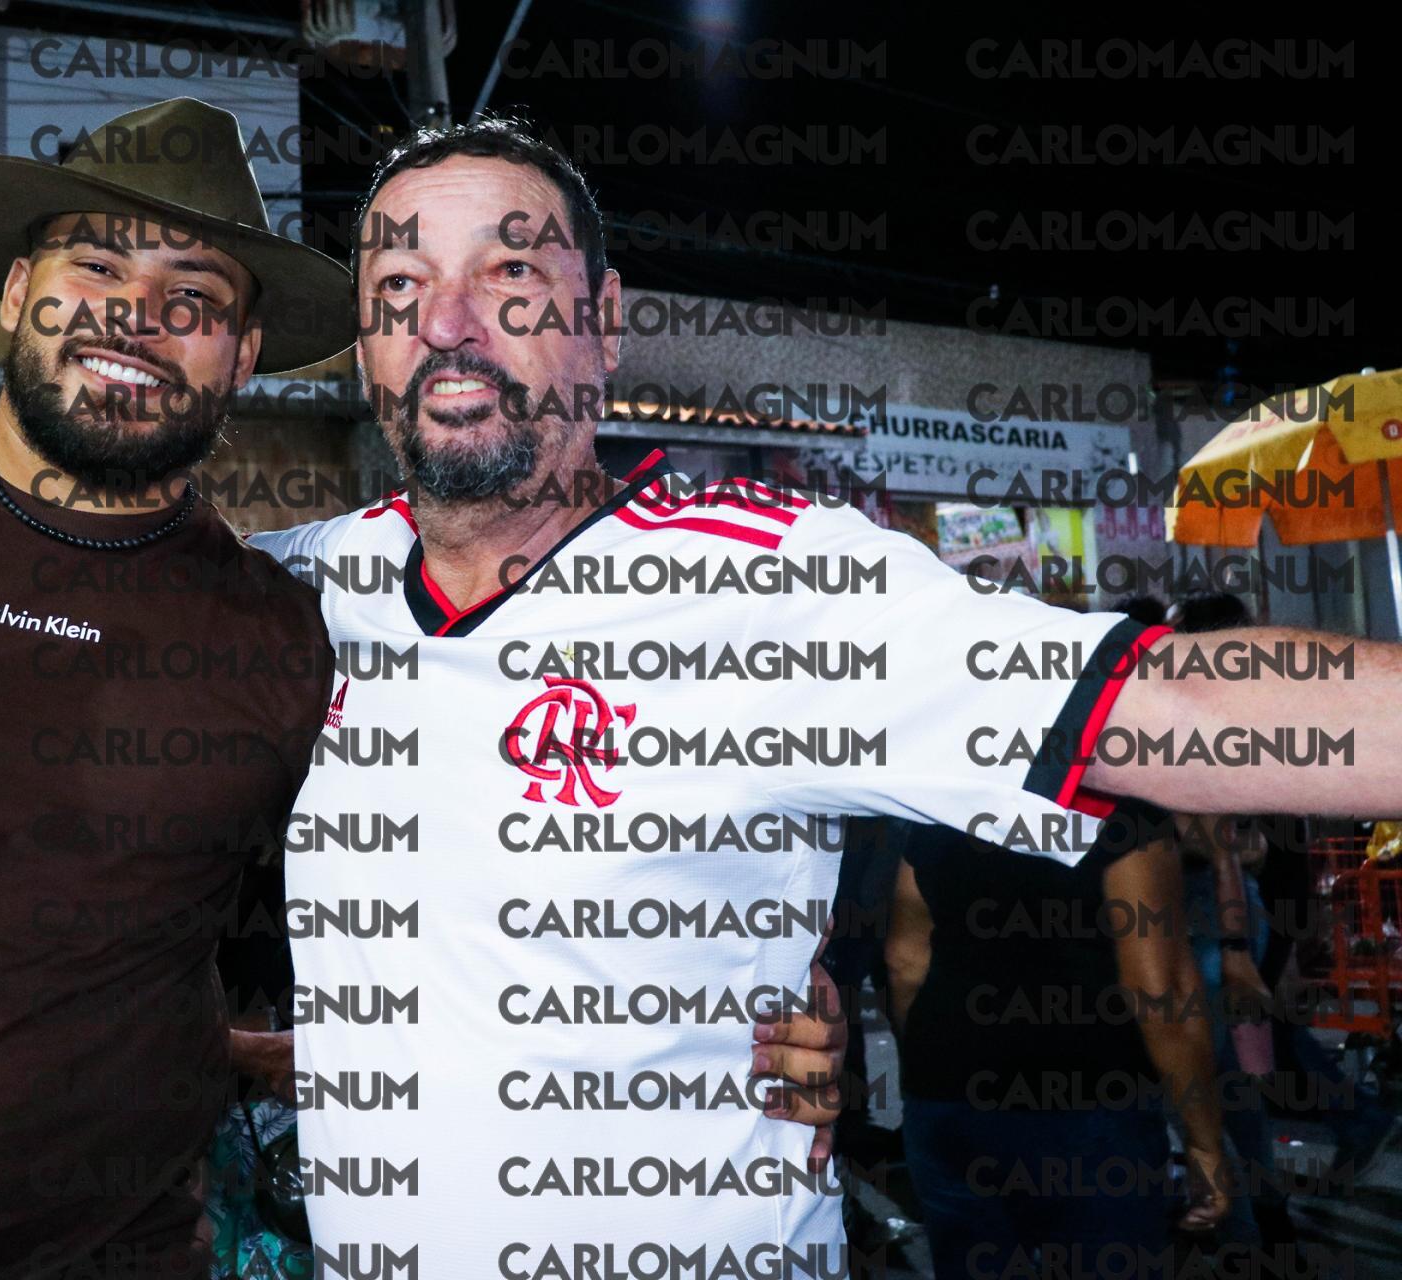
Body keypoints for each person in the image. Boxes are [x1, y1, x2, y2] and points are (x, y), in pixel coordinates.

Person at [0, 99, 842, 1278]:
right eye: (96, 265)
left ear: (240, 357)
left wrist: (749, 1005)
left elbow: (474, 887)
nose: (139, 315)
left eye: (194, 294)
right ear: (18, 290)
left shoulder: (288, 631)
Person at [244, 116, 1402, 1271]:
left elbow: (1174, 705)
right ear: (365, 343)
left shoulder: (771, 584)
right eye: (400, 285)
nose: (447, 323)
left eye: (510, 274)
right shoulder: (295, 594)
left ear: (602, 319)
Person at [883, 814, 1229, 1279]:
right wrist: (1204, 1144)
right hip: (1087, 1104)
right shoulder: (1125, 816)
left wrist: (929, 1070)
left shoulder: (943, 808)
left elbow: (905, 962)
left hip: (949, 1099)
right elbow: (1159, 993)